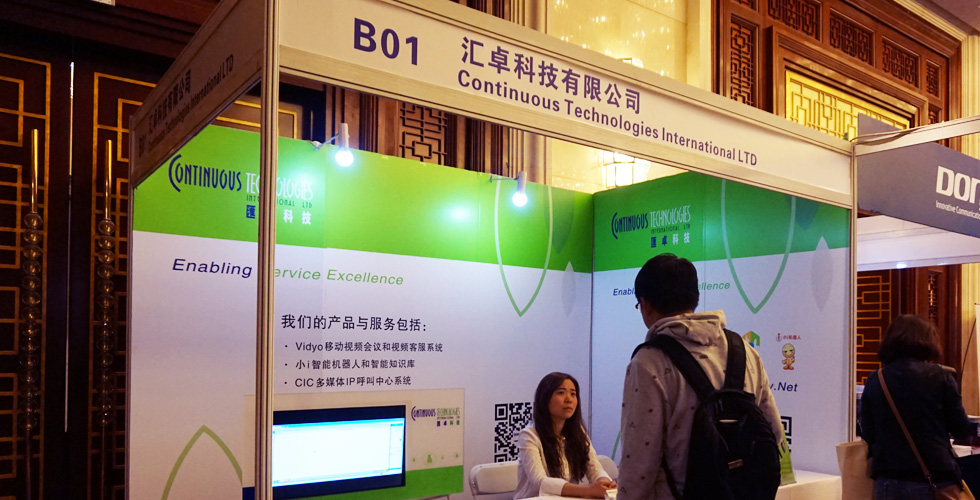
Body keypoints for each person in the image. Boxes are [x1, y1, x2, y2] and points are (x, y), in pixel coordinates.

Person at [618, 253, 784, 500]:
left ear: (646, 304)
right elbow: (774, 432)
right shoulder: (745, 351)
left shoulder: (649, 363)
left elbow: (639, 465)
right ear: (694, 298)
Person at [861, 314, 979, 500]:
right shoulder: (941, 377)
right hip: (933, 478)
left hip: (887, 481)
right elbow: (960, 429)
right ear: (928, 340)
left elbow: (868, 432)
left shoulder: (876, 379)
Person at [515, 372, 617, 499]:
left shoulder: (578, 432)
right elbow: (540, 482)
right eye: (561, 393)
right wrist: (589, 490)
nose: (569, 399)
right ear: (545, 398)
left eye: (573, 394)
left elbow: (594, 468)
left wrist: (604, 483)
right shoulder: (529, 435)